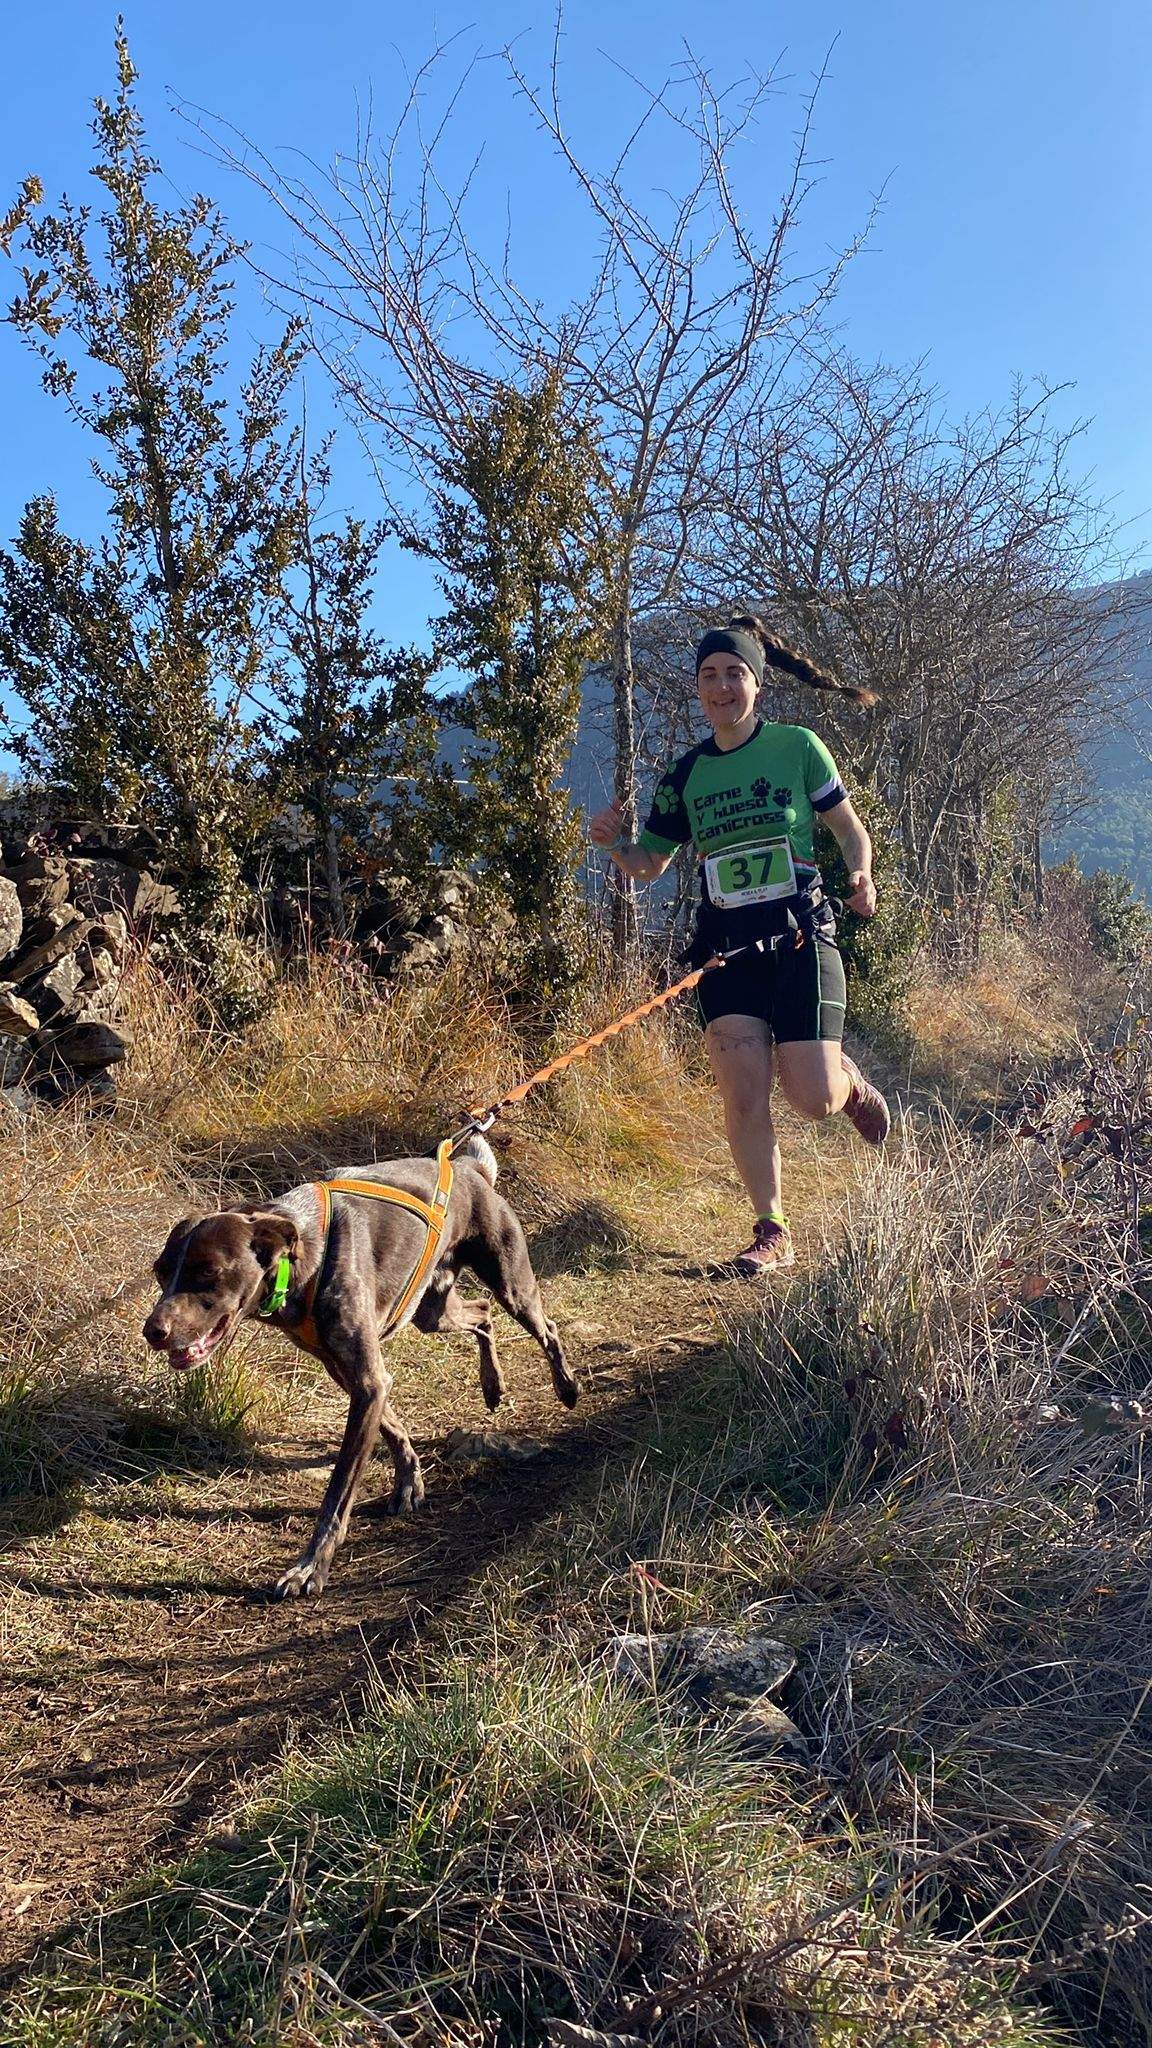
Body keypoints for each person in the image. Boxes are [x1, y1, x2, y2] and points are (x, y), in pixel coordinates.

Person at [588, 614, 891, 1275]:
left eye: (735, 674)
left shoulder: (797, 747)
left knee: (811, 1099)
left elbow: (849, 829)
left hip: (800, 938)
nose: (722, 687)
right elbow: (648, 865)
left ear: (757, 685)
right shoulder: (686, 773)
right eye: (709, 676)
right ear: (698, 689)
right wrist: (612, 840)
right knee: (745, 1094)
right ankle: (771, 1228)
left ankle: (849, 1083)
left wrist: (862, 872)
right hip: (725, 951)